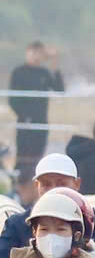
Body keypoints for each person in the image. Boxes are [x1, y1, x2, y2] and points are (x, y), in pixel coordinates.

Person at [0, 154, 95, 258]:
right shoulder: (17, 224)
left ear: (77, 184)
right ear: (37, 186)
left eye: (62, 184)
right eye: (46, 185)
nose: (54, 191)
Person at [9, 42, 62, 177]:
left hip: (41, 121)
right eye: (33, 53)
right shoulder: (18, 72)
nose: (36, 57)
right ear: (27, 53)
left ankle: (36, 182)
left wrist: (55, 63)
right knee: (23, 155)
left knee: (38, 156)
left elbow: (59, 90)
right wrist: (24, 115)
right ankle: (19, 183)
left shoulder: (44, 72)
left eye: (39, 53)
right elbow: (12, 99)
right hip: (24, 122)